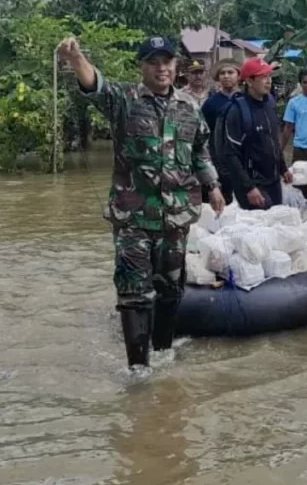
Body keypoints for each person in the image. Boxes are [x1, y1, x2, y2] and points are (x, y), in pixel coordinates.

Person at [57, 34, 226, 369]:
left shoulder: (189, 107)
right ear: (142, 66)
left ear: (175, 66)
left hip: (176, 219)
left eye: (166, 61)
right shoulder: (124, 99)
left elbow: (198, 151)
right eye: (153, 62)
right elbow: (95, 85)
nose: (161, 68)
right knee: (134, 292)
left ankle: (162, 355)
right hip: (133, 217)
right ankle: (137, 370)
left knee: (169, 291)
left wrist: (214, 186)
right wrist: (76, 58)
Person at [216, 56, 292, 209]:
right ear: (249, 81)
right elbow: (230, 155)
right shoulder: (237, 111)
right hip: (252, 185)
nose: (268, 80)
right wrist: (249, 187)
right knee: (260, 230)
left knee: (278, 225)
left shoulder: (269, 103)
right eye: (263, 77)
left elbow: (273, 141)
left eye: (269, 76)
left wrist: (283, 168)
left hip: (273, 181)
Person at [200, 59, 241, 204]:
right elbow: (202, 132)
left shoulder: (245, 100)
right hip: (218, 158)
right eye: (222, 73)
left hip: (243, 158)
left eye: (230, 72)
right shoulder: (211, 103)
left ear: (238, 76)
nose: (226, 76)